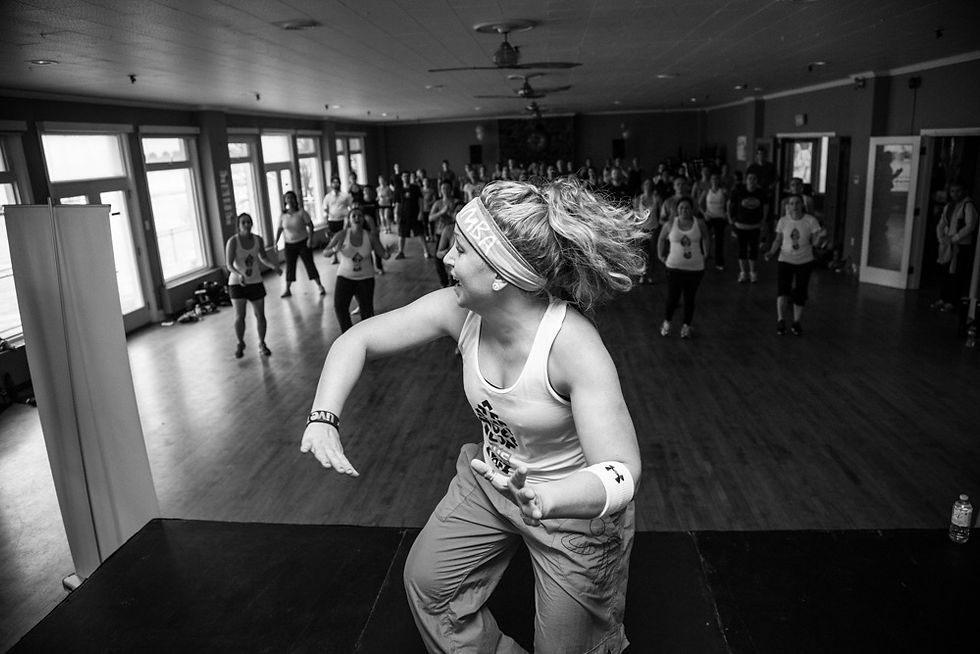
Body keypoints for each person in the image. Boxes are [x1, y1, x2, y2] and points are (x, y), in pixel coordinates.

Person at [300, 177, 644, 653]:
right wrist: (323, 418)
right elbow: (357, 338)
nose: (446, 257)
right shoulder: (457, 311)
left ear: (500, 274)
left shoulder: (572, 346)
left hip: (571, 508)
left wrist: (548, 498)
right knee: (429, 586)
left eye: (460, 249)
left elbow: (623, 470)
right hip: (492, 481)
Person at [764, 194, 827, 335]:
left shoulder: (810, 221)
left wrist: (820, 238)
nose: (795, 206)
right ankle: (781, 320)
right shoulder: (783, 221)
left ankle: (796, 321)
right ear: (788, 206)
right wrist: (771, 252)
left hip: (804, 261)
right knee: (782, 290)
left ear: (802, 205)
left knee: (800, 291)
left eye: (797, 203)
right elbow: (778, 239)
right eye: (792, 203)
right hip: (785, 259)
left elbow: (815, 241)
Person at [322, 206, 390, 332]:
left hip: (365, 278)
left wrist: (389, 252)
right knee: (340, 307)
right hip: (345, 277)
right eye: (354, 216)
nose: (357, 218)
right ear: (349, 219)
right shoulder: (342, 235)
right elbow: (325, 252)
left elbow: (384, 255)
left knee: (367, 311)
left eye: (360, 216)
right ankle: (348, 334)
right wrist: (334, 250)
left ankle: (366, 336)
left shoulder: (370, 237)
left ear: (363, 219)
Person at [225, 213, 282, 358]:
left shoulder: (258, 240)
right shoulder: (233, 242)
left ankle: (262, 343)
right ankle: (240, 342)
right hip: (237, 284)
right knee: (240, 316)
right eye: (243, 222)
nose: (247, 224)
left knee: (260, 315)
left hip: (255, 281)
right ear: (238, 226)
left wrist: (274, 266)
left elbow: (263, 257)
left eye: (249, 222)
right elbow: (229, 264)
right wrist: (239, 274)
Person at [657, 196, 708, 339]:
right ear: (677, 210)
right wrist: (660, 255)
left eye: (687, 207)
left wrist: (706, 253)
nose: (684, 210)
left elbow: (706, 237)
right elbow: (661, 238)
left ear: (692, 209)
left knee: (689, 298)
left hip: (695, 269)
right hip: (674, 268)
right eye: (681, 208)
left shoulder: (699, 223)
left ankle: (686, 326)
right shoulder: (670, 223)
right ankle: (667, 322)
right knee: (672, 298)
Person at [933, 179, 978, 318]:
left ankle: (952, 301)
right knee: (945, 272)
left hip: (960, 245)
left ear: (964, 191)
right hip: (947, 244)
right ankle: (943, 298)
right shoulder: (949, 206)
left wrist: (955, 238)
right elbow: (942, 222)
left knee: (957, 274)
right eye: (952, 191)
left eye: (958, 191)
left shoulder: (968, 205)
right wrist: (941, 236)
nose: (955, 194)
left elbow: (970, 226)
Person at [275, 191, 326, 297]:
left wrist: (310, 239)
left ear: (295, 200)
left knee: (309, 264)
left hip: (303, 242)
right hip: (289, 244)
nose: (290, 200)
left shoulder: (301, 212)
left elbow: (310, 225)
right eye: (287, 198)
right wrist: (276, 242)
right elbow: (280, 229)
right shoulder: (283, 215)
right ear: (285, 200)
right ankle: (287, 289)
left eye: (291, 198)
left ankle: (320, 286)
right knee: (290, 266)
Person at [728, 172, 768, 283]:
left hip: (755, 226)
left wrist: (763, 220)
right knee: (742, 250)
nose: (752, 181)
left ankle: (753, 272)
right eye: (750, 178)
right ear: (746, 180)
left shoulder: (761, 193)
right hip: (741, 226)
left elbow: (766, 206)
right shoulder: (738, 191)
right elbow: (730, 204)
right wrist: (730, 218)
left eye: (754, 178)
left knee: (754, 250)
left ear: (757, 181)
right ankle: (743, 273)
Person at [428, 181, 458, 287]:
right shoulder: (438, 203)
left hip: (453, 233)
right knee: (438, 260)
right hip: (440, 233)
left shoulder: (456, 202)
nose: (445, 190)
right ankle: (444, 283)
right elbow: (430, 218)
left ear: (451, 189)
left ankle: (454, 281)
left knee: (454, 259)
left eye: (447, 188)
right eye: (443, 188)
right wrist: (441, 212)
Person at [394, 170, 429, 259]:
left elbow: (420, 200)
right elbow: (397, 203)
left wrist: (421, 212)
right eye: (404, 176)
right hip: (403, 215)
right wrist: (396, 214)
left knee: (420, 233)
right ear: (402, 178)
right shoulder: (399, 189)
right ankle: (401, 252)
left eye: (407, 176)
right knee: (401, 234)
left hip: (415, 214)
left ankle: (426, 251)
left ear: (410, 177)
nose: (406, 178)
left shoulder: (415, 188)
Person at [700, 172, 730, 271]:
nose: (714, 180)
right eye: (713, 179)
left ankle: (719, 263)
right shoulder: (706, 191)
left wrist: (727, 213)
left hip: (720, 217)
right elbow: (699, 204)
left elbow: (730, 202)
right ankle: (702, 259)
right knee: (703, 238)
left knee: (719, 241)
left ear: (719, 180)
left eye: (716, 179)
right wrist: (704, 214)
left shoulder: (723, 191)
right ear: (710, 180)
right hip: (709, 217)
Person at [323, 177, 351, 264]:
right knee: (333, 239)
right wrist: (326, 221)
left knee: (343, 238)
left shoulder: (345, 196)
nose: (335, 184)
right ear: (331, 184)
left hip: (343, 220)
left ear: (340, 184)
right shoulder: (327, 197)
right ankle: (335, 257)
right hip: (332, 220)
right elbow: (325, 209)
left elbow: (350, 207)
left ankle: (345, 257)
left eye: (337, 182)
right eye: (334, 182)